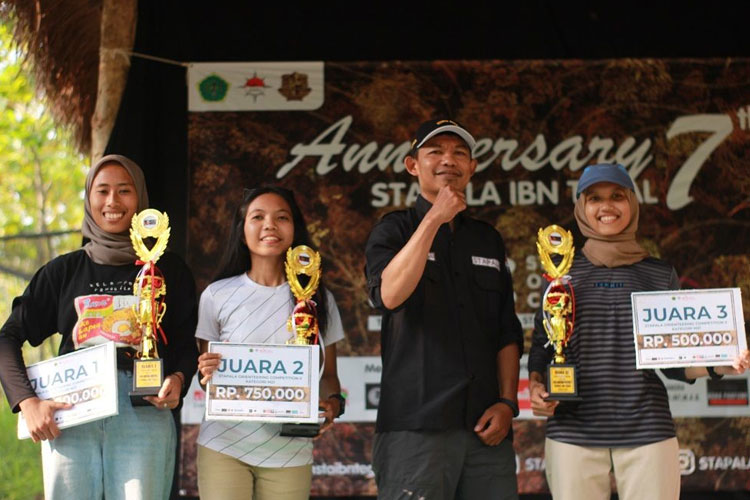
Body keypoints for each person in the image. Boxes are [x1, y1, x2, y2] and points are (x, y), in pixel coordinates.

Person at [528, 163, 750, 500]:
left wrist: (720, 365)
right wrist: (535, 385)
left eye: (617, 196)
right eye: (594, 198)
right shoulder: (561, 274)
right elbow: (542, 346)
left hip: (648, 428)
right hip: (574, 429)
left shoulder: (657, 274)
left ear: (632, 203)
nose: (606, 206)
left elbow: (673, 362)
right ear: (581, 208)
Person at [0, 154, 199, 499]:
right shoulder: (63, 272)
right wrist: (27, 402)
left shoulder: (169, 271)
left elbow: (185, 343)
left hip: (145, 411)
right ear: (89, 198)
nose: (112, 201)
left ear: (140, 199)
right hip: (71, 413)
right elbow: (7, 337)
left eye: (124, 191)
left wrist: (178, 379)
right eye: (102, 190)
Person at [364, 119, 523, 500]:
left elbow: (506, 328)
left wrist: (507, 403)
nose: (448, 160)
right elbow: (389, 295)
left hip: (487, 428)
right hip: (415, 428)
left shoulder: (487, 238)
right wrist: (435, 217)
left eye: (459, 153)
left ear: (472, 167)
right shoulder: (393, 230)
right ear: (412, 165)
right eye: (435, 151)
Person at [194, 186, 346, 500]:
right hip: (224, 445)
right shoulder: (216, 295)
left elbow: (329, 376)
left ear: (295, 228)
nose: (270, 225)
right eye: (258, 217)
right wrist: (205, 372)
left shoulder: (319, 300)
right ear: (242, 230)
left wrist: (332, 405)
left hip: (290, 451)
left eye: (281, 217)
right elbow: (208, 379)